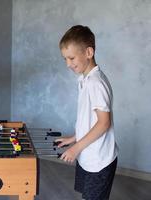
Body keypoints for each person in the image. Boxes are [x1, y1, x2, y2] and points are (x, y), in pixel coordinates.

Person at [56, 25, 118, 200]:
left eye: (71, 58)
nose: (68, 64)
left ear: (89, 52)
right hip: (88, 154)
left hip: (99, 160)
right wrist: (74, 137)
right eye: (65, 59)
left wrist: (75, 148)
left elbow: (104, 123)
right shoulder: (84, 79)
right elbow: (89, 119)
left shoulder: (96, 83)